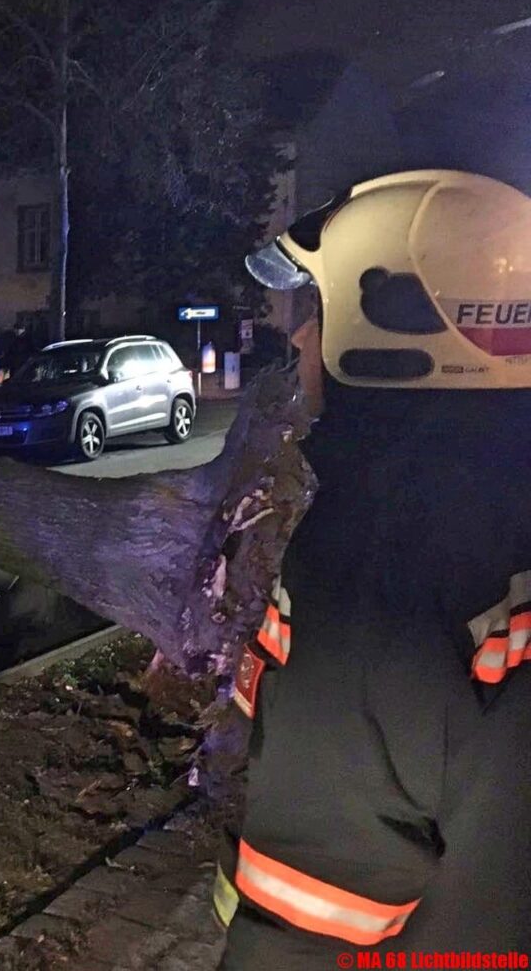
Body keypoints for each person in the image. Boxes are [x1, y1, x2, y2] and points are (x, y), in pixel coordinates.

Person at [217, 169, 531, 966]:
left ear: (398, 323)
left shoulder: (377, 558)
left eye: (319, 311)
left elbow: (305, 918)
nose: (298, 339)